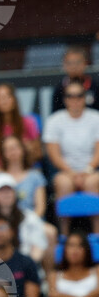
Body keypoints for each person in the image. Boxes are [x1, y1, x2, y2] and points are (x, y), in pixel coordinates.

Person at [45, 81, 99, 233]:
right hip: (64, 171)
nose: (75, 99)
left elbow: (98, 151)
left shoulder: (96, 118)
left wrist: (87, 171)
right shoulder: (54, 120)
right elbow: (53, 154)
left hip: (91, 170)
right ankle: (64, 235)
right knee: (63, 184)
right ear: (65, 99)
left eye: (79, 95)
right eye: (70, 96)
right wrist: (72, 173)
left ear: (85, 98)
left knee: (93, 183)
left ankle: (97, 235)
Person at [0, 173, 50, 265]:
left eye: (9, 190)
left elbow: (38, 247)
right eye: (2, 191)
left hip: (25, 267)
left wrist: (26, 267)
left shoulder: (30, 218)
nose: (6, 194)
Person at [0, 83, 41, 172]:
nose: (3, 101)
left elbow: (38, 152)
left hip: (25, 170)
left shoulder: (29, 122)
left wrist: (29, 151)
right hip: (1, 173)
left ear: (14, 99)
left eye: (7, 96)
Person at [47, 231, 99, 297]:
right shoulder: (55, 274)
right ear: (65, 249)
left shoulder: (96, 270)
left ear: (86, 250)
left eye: (80, 246)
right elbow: (52, 294)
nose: (75, 250)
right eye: (71, 245)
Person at [0, 136, 48, 218]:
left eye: (15, 147)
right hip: (3, 222)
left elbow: (40, 208)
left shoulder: (35, 176)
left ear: (23, 150)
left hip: (31, 221)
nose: (13, 152)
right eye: (8, 149)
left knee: (50, 231)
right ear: (3, 153)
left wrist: (28, 222)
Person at [52, 47, 97, 113]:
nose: (74, 66)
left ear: (86, 63)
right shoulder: (59, 89)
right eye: (69, 63)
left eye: (77, 62)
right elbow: (56, 114)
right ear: (64, 65)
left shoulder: (96, 86)